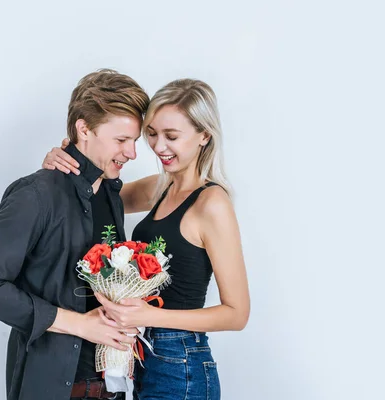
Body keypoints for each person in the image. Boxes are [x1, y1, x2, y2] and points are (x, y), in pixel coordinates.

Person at [42, 78, 250, 399]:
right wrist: (65, 160)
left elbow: (237, 314)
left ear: (204, 136)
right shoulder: (159, 186)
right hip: (138, 356)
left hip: (180, 363)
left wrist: (148, 315)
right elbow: (91, 201)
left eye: (172, 136)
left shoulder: (212, 204)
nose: (158, 146)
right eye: (152, 133)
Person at [0, 69, 150, 400]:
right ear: (84, 129)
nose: (132, 153)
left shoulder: (111, 196)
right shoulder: (35, 194)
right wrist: (79, 324)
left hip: (113, 386)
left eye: (134, 141)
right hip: (54, 388)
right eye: (122, 140)